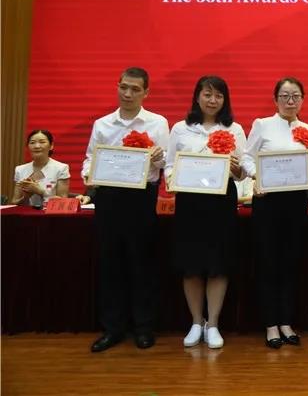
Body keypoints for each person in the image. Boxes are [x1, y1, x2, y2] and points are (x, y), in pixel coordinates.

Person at [82, 67, 169, 352]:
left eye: (135, 89)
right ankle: (112, 328)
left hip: (141, 198)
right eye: (124, 87)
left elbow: (167, 162)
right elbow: (89, 159)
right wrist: (88, 174)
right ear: (118, 86)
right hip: (109, 198)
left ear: (146, 93)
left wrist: (159, 156)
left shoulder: (157, 123)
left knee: (141, 262)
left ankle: (143, 327)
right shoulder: (103, 124)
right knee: (110, 263)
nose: (128, 94)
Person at [165, 76, 247, 350]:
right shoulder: (180, 128)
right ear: (197, 96)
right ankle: (195, 322)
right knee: (191, 265)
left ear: (225, 100)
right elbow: (169, 165)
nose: (213, 101)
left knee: (218, 263)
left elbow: (243, 170)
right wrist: (172, 180)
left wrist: (236, 167)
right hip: (190, 202)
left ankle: (213, 324)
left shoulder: (234, 129)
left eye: (218, 96)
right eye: (208, 94)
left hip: (221, 201)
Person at [241, 77, 308, 349]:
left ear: (302, 100)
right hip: (268, 202)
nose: (290, 101)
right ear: (275, 100)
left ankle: (286, 321)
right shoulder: (262, 125)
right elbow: (247, 157)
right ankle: (270, 324)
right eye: (285, 96)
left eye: (296, 96)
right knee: (268, 262)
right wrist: (257, 176)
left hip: (296, 203)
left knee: (290, 262)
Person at [12, 129, 70, 207]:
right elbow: (15, 202)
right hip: (26, 214)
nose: (37, 146)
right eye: (32, 143)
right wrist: (26, 197)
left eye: (42, 142)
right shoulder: (20, 170)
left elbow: (63, 202)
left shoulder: (61, 168)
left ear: (51, 146)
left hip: (50, 214)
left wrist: (41, 192)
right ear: (28, 146)